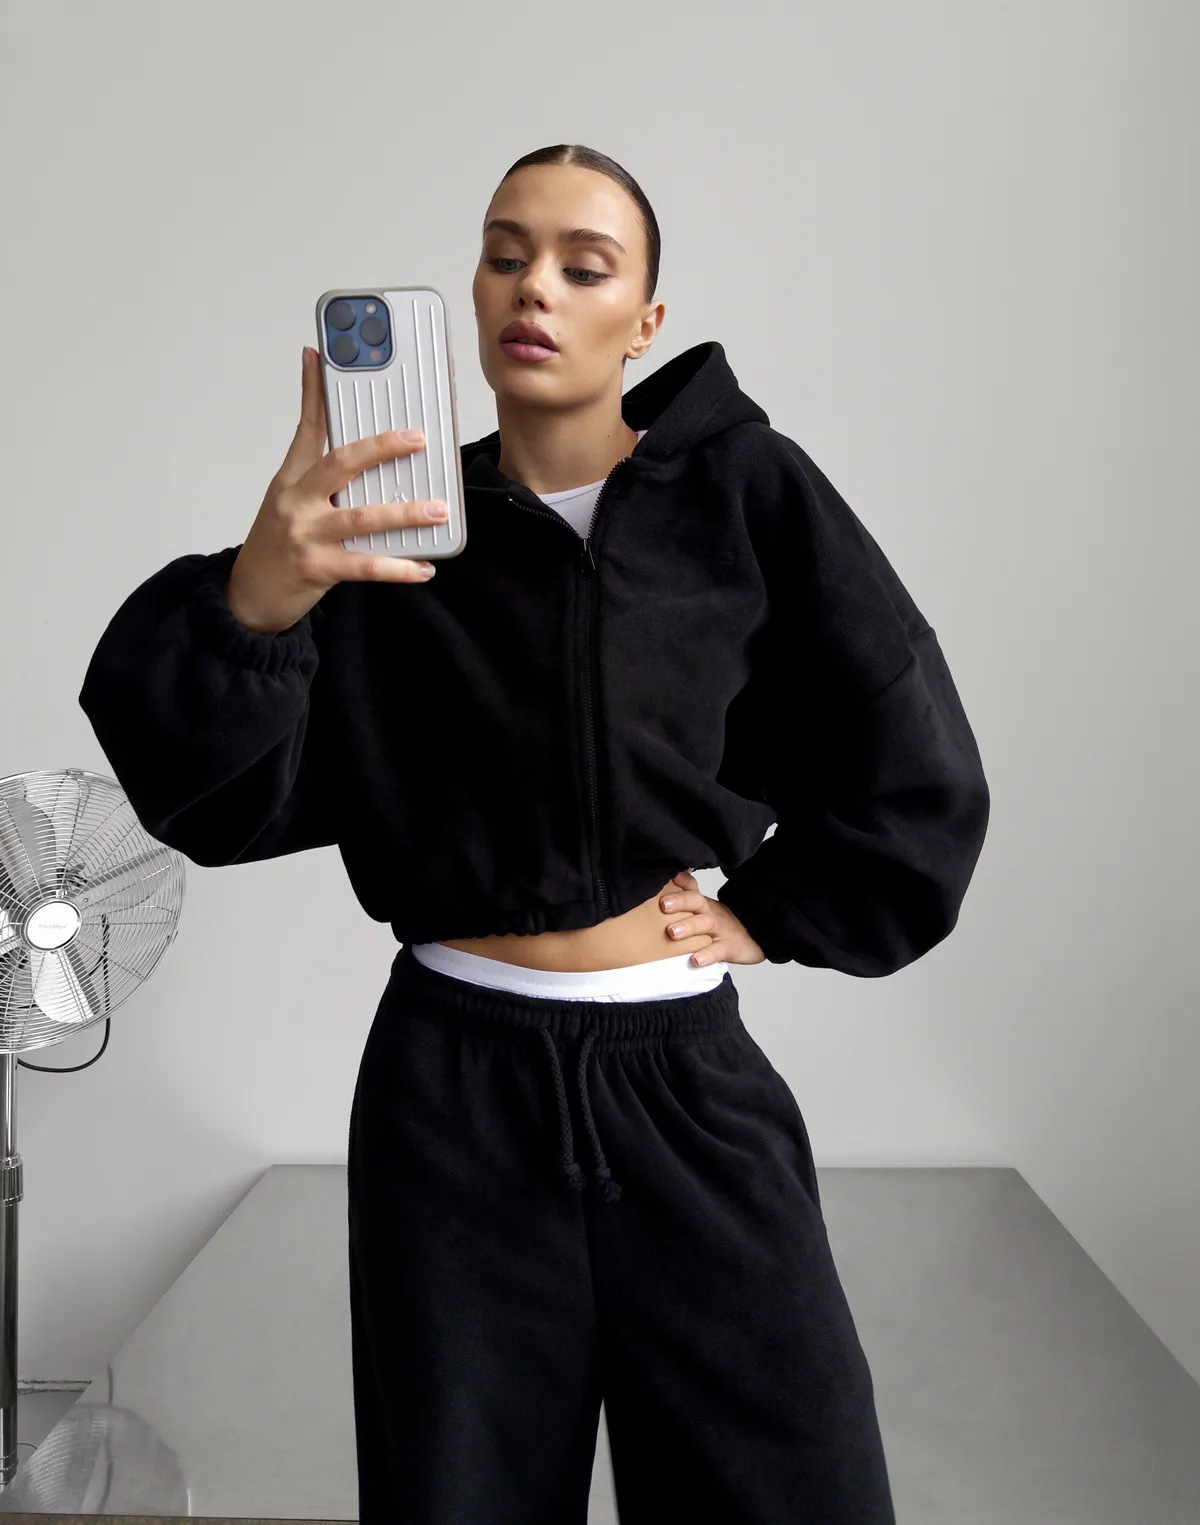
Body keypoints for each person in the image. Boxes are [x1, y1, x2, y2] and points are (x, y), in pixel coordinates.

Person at [79, 142, 990, 1524]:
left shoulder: (747, 491)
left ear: (646, 318)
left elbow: (906, 733)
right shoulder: (389, 536)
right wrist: (259, 595)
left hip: (682, 1081)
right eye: (506, 255)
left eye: (584, 264)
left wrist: (778, 909)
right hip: (451, 1093)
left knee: (794, 1486)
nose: (535, 288)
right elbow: (214, 803)